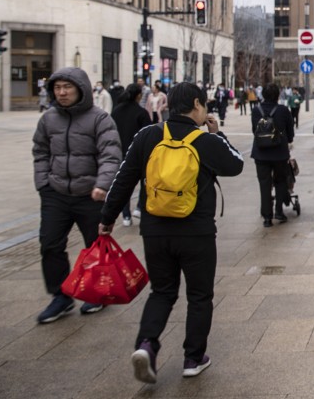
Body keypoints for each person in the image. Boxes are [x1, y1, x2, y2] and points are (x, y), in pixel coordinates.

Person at [99, 82, 244, 383]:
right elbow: (236, 164)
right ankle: (193, 358)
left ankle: (147, 345)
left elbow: (124, 178)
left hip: (155, 231)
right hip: (197, 232)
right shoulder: (206, 141)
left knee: (162, 291)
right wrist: (217, 134)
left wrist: (107, 218)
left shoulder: (148, 135)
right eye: (204, 106)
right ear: (196, 105)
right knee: (199, 295)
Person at [32, 67, 122, 324]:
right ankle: (60, 296)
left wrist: (103, 185)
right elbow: (40, 151)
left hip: (90, 194)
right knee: (50, 244)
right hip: (56, 193)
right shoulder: (48, 119)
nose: (61, 92)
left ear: (80, 89)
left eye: (66, 87)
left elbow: (111, 155)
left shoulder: (100, 119)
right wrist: (43, 184)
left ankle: (97, 292)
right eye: (57, 88)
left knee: (95, 247)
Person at [251, 84, 295, 226]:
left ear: (263, 94)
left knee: (264, 184)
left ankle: (267, 218)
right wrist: (287, 140)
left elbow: (254, 130)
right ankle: (279, 212)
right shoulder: (283, 110)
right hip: (280, 153)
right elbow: (290, 132)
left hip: (261, 153)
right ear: (278, 95)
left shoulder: (256, 110)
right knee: (280, 181)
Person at [110, 84, 152, 226]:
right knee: (145, 181)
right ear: (139, 95)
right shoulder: (141, 113)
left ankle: (126, 216)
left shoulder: (116, 111)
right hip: (138, 154)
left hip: (119, 152)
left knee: (123, 184)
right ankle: (140, 207)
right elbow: (148, 135)